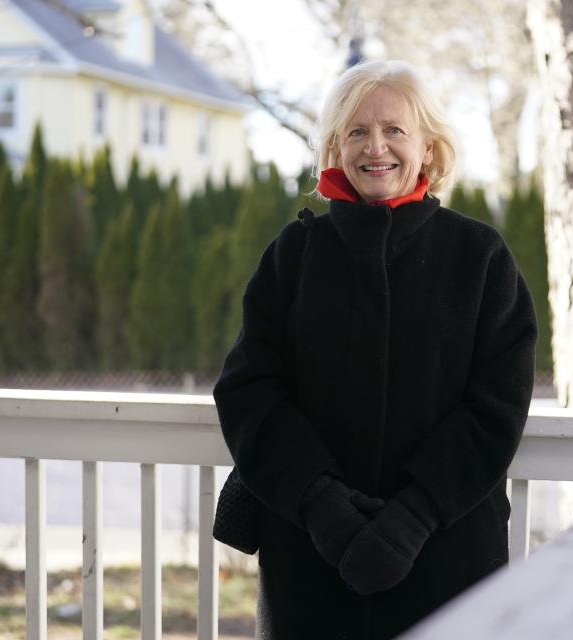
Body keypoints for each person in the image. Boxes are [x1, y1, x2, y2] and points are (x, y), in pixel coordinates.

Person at [213, 59, 537, 640]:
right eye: (357, 131)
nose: (375, 146)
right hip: (311, 564)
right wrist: (324, 509)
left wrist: (413, 518)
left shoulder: (479, 257)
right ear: (335, 148)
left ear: (429, 150)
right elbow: (248, 392)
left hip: (448, 559)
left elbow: (498, 406)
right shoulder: (295, 255)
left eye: (394, 130)